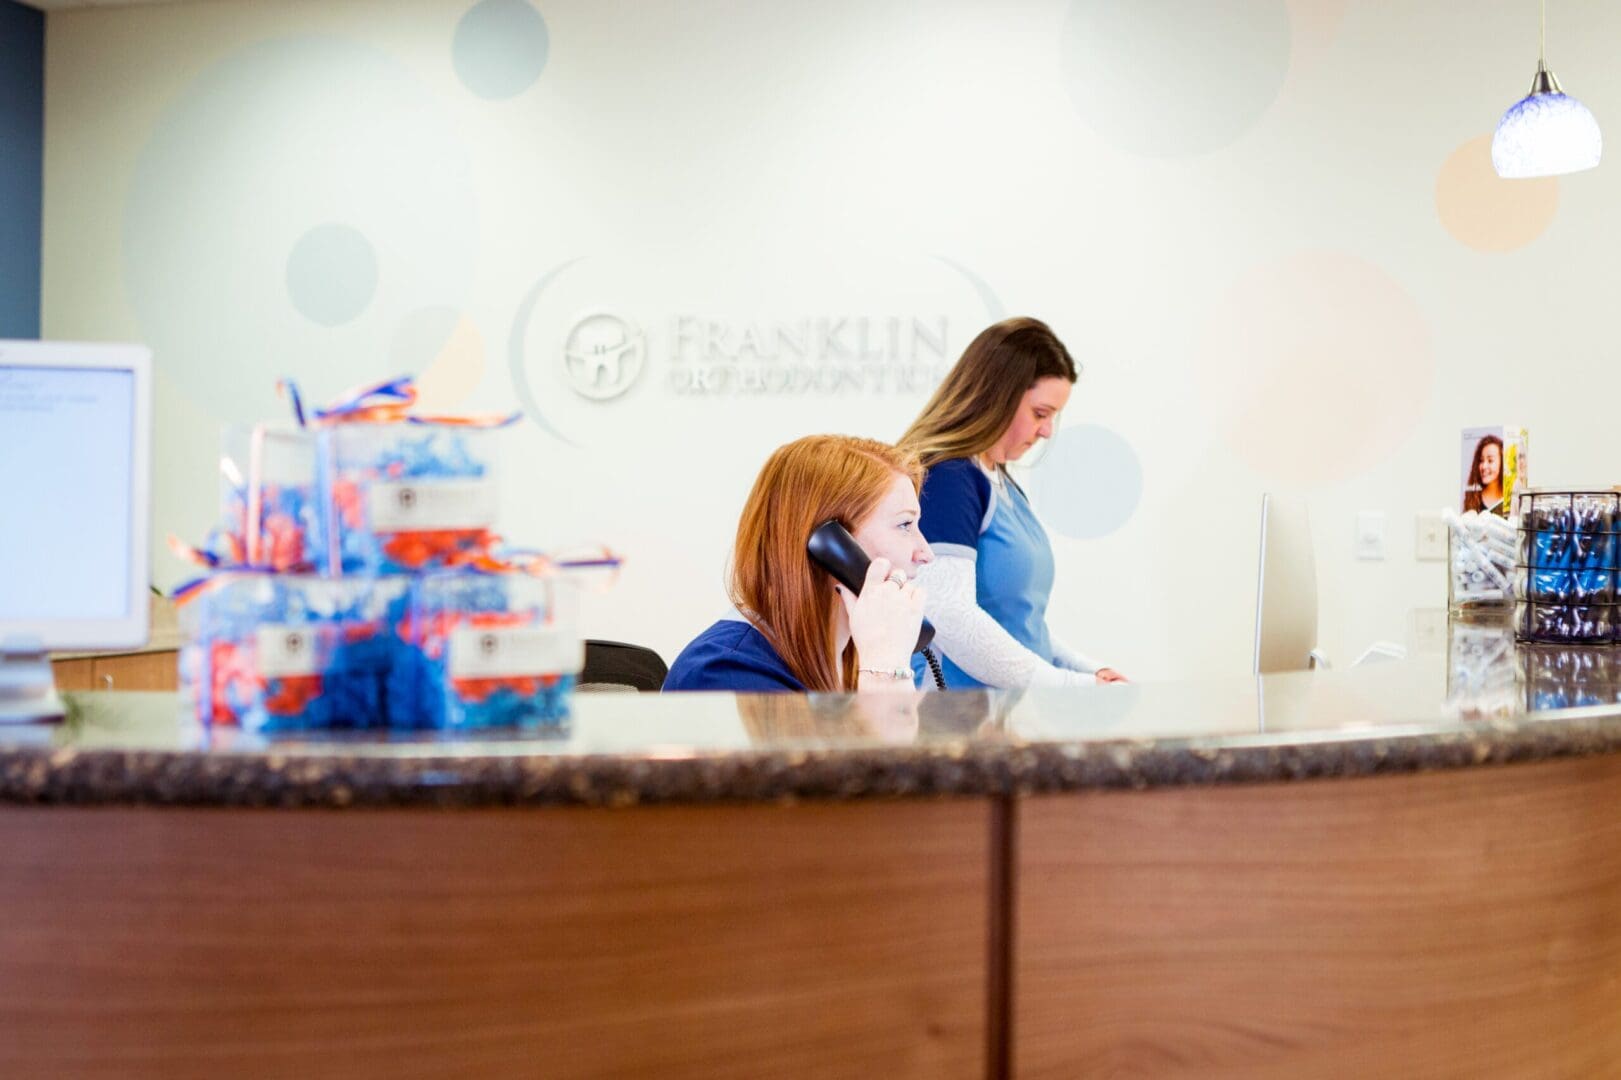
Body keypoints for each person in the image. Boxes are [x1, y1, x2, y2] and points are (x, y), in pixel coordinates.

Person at [895, 317, 1125, 689]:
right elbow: (948, 613)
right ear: (997, 395)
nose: (1048, 430)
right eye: (1040, 413)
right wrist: (1068, 685)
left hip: (1004, 716)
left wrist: (1083, 670)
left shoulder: (1000, 482)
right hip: (954, 718)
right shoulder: (949, 478)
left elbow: (1019, 621)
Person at [663, 435, 933, 693]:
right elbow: (890, 743)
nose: (925, 553)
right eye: (905, 525)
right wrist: (887, 671)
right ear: (831, 546)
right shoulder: (726, 674)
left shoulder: (851, 658)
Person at [1462, 434, 1505, 515]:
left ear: (1502, 462)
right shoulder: (1473, 497)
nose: (1484, 466)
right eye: (1481, 460)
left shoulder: (1508, 498)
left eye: (1490, 460)